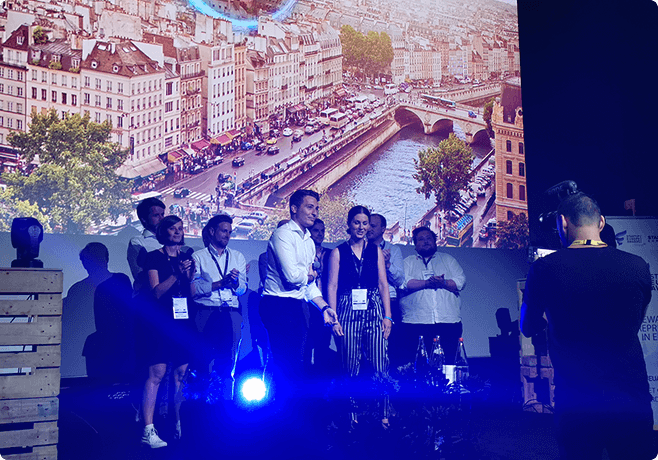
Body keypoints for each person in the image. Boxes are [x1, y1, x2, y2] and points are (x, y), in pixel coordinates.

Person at [521, 193, 653, 460]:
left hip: (576, 401)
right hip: (630, 397)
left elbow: (528, 326)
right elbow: (636, 321)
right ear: (601, 222)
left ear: (562, 222)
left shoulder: (544, 269)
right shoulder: (637, 266)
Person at [260, 190, 340, 403]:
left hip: (296, 305)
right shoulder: (283, 234)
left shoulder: (308, 241)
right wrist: (311, 274)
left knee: (297, 362)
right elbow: (293, 278)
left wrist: (324, 307)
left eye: (316, 208)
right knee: (285, 364)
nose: (314, 213)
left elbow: (308, 286)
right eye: (309, 207)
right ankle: (277, 410)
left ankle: (291, 409)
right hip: (277, 304)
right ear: (294, 208)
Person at [327, 206, 393, 426]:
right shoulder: (337, 252)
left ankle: (383, 415)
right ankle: (351, 417)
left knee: (380, 362)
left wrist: (388, 316)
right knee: (349, 365)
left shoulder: (376, 251)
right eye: (357, 222)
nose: (361, 227)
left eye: (365, 223)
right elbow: (332, 286)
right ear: (349, 224)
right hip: (347, 307)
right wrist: (334, 319)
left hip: (373, 306)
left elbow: (383, 284)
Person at [140, 216, 196, 449]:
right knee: (158, 373)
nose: (177, 232)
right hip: (161, 322)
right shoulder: (154, 257)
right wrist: (176, 274)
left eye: (180, 229)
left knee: (181, 373)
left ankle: (178, 423)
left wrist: (189, 276)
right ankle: (148, 429)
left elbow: (192, 293)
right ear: (164, 232)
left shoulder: (187, 257)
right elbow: (156, 292)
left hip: (183, 321)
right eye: (172, 229)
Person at [191, 215, 246, 399]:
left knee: (229, 360)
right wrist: (220, 283)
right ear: (212, 231)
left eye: (229, 232)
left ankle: (226, 402)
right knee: (203, 359)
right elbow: (195, 289)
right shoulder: (198, 257)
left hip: (231, 312)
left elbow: (242, 289)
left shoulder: (237, 256)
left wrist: (235, 283)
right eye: (224, 231)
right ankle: (201, 403)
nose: (227, 235)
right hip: (206, 311)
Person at [399, 227, 466, 366]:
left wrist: (443, 283)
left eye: (429, 238)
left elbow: (461, 282)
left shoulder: (448, 259)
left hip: (448, 321)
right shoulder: (408, 262)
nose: (426, 242)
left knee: (449, 363)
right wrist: (427, 283)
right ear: (415, 244)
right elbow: (403, 283)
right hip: (416, 322)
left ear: (435, 242)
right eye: (421, 239)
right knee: (418, 365)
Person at [367, 214, 405, 366]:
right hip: (367, 302)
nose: (369, 228)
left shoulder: (394, 250)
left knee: (391, 343)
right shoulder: (359, 249)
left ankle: (390, 377)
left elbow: (399, 281)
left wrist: (387, 264)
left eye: (373, 226)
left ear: (383, 229)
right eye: (368, 225)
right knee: (368, 344)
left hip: (389, 302)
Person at [128, 198, 165, 293]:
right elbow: (139, 274)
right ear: (144, 219)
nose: (161, 219)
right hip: (148, 295)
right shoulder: (138, 242)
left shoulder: (169, 239)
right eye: (156, 215)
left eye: (162, 214)